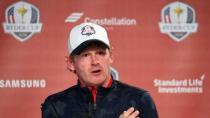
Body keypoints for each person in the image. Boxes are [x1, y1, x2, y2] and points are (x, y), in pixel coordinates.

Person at [41, 22, 158, 118]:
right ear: (71, 63)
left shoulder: (140, 99)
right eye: (85, 55)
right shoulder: (54, 105)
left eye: (100, 53)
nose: (95, 61)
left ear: (111, 56)